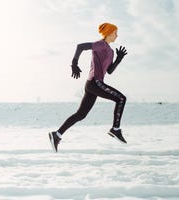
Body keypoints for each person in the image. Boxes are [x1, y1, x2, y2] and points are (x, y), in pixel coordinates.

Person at [49, 22, 128, 152]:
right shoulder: (100, 44)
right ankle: (115, 129)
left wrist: (118, 60)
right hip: (94, 82)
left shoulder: (110, 51)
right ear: (108, 33)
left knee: (81, 114)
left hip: (94, 84)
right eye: (115, 32)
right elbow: (80, 47)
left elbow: (109, 71)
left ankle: (56, 135)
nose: (117, 35)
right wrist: (74, 63)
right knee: (121, 99)